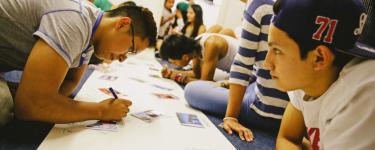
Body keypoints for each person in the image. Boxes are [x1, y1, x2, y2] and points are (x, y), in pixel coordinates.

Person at [0, 0, 157, 125]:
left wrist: (41, 98)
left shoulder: (92, 31)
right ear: (122, 24)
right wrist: (101, 111)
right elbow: (29, 106)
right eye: (130, 49)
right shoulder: (76, 20)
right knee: (4, 104)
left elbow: (71, 81)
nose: (123, 58)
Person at [265, 0, 375, 149]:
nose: (267, 63)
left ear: (319, 58)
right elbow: (287, 138)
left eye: (277, 50)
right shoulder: (307, 74)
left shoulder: (363, 93)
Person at [184, 0, 289, 142]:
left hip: (265, 109)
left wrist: (231, 117)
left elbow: (242, 64)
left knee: (191, 90)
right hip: (292, 113)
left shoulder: (260, 5)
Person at [160, 32, 239, 84]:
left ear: (185, 57)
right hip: (236, 73)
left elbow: (205, 83)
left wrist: (179, 78)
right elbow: (196, 74)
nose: (174, 64)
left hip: (249, 74)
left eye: (174, 62)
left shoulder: (210, 45)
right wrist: (172, 73)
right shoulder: (195, 46)